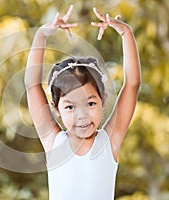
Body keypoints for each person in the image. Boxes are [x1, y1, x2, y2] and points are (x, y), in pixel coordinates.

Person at [25, 5, 141, 200]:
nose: (82, 115)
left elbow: (132, 84)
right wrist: (42, 35)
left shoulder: (108, 142)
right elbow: (32, 85)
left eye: (90, 104)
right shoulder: (54, 144)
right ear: (56, 109)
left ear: (103, 101)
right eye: (70, 107)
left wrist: (126, 33)